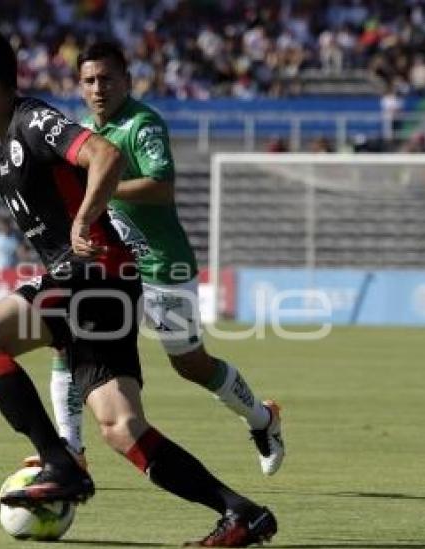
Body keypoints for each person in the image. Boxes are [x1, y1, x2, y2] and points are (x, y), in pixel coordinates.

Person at [0, 29, 277, 547]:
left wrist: (85, 218)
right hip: (108, 285)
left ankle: (60, 462)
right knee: (121, 427)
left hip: (94, 270)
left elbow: (105, 155)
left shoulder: (32, 120)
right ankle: (241, 512)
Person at [29, 41, 285, 481]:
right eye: (89, 80)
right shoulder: (82, 133)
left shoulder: (142, 124)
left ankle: (262, 419)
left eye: (107, 78)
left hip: (162, 265)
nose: (98, 87)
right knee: (67, 335)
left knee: (190, 364)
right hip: (113, 265)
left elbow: (161, 187)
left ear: (127, 80)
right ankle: (69, 448)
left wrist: (99, 193)